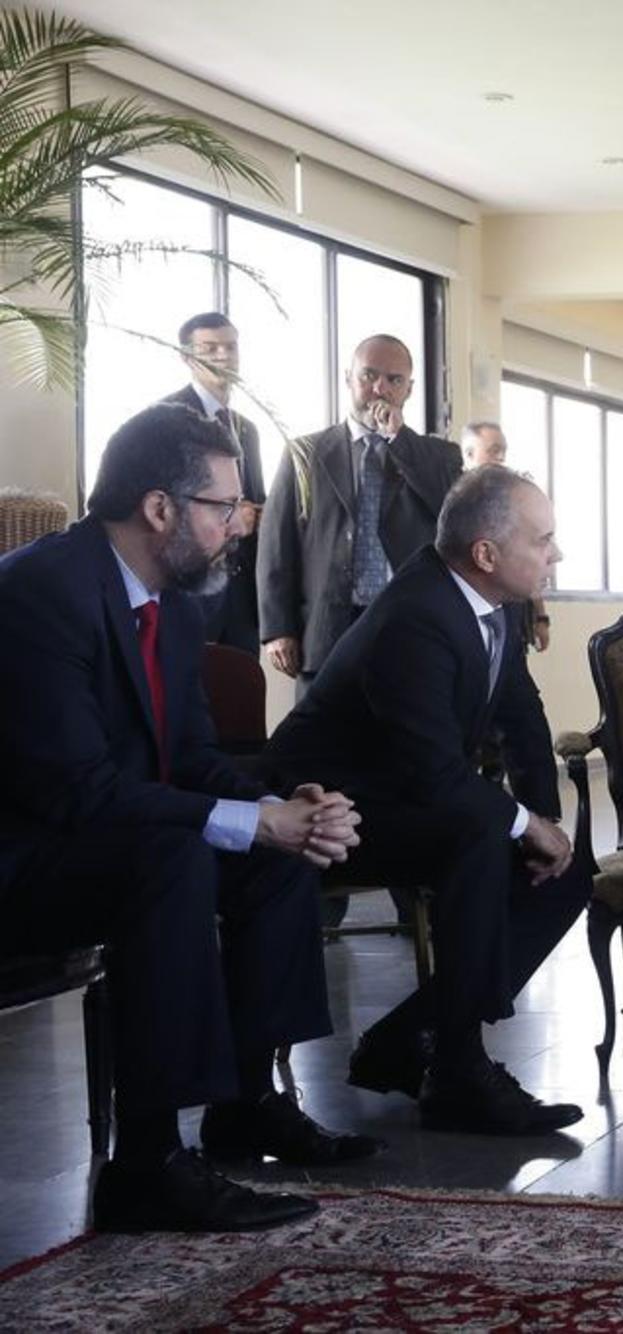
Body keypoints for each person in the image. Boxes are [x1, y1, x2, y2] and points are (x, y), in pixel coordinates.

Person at [0, 404, 374, 1233]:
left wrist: (283, 809)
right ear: (161, 508)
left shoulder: (170, 600)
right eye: (223, 506)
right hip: (29, 855)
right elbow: (76, 791)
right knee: (174, 859)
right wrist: (244, 820)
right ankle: (147, 1163)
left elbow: (193, 756)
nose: (240, 525)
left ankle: (249, 1104)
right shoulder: (41, 593)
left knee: (271, 855)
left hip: (107, 836)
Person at [262, 466, 591, 1136]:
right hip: (326, 807)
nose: (556, 555)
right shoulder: (417, 615)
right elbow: (435, 775)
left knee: (566, 872)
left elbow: (520, 715)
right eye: (544, 540)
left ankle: (411, 1041)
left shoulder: (492, 598)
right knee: (473, 832)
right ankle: (460, 1069)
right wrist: (522, 824)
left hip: (403, 793)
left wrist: (544, 820)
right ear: (487, 554)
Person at [258, 334, 461, 691]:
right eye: (369, 375)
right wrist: (277, 628)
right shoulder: (305, 452)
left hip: (408, 628)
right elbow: (277, 543)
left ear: (409, 389)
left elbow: (450, 511)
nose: (380, 388)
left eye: (394, 380)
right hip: (326, 628)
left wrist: (398, 440)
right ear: (348, 378)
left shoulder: (438, 456)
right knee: (323, 741)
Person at [162, 313, 264, 653]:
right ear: (187, 357)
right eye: (211, 348)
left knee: (240, 698)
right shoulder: (166, 418)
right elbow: (157, 505)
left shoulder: (247, 429)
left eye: (231, 346)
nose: (224, 355)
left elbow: (255, 503)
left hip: (242, 597)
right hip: (189, 589)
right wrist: (228, 518)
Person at [461, 421, 550, 652]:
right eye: (493, 450)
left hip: (511, 615)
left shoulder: (513, 499)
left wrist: (541, 617)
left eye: (503, 451)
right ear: (469, 453)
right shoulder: (455, 505)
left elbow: (534, 558)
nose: (500, 458)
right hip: (468, 617)